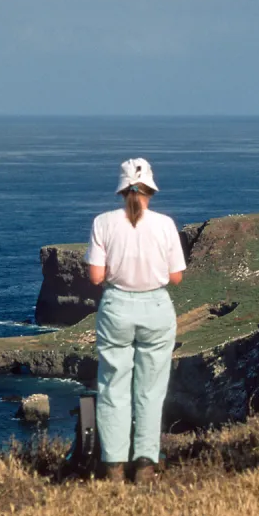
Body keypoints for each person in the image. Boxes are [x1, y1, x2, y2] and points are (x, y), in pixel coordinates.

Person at [85, 158, 187, 483]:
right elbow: (176, 277)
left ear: (121, 189)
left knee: (113, 385)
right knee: (150, 389)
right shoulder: (165, 224)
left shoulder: (103, 222)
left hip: (116, 305)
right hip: (155, 306)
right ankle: (145, 462)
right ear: (150, 190)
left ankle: (114, 464)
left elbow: (96, 276)